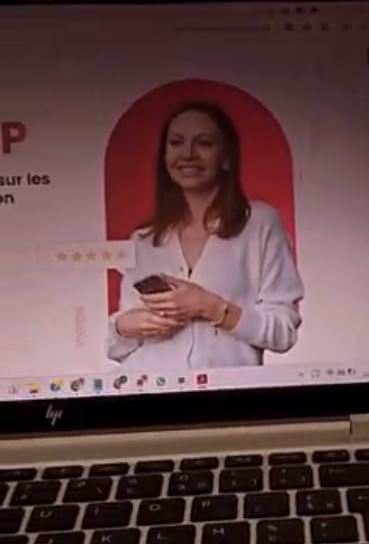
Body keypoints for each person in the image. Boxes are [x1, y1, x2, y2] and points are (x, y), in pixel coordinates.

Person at [106, 101, 304, 370]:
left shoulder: (260, 224)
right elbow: (115, 348)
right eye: (176, 143)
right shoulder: (143, 239)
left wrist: (210, 307)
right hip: (149, 389)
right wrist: (122, 326)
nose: (187, 154)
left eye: (204, 143)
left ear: (226, 157)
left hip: (225, 393)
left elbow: (283, 333)